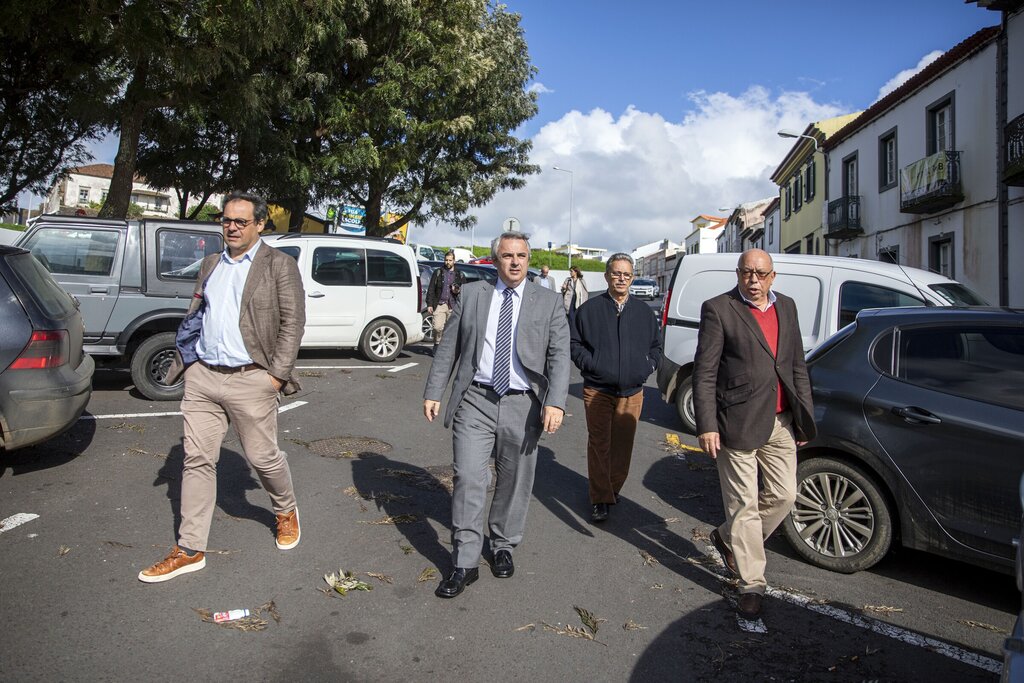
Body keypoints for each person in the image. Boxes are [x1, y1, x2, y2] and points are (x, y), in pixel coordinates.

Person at [138, 191, 306, 583]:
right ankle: (190, 548)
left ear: (260, 224)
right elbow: (199, 312)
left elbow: (292, 324)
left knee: (263, 458)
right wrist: (191, 363)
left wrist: (275, 377)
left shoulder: (279, 266)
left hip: (253, 378)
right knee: (196, 460)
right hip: (203, 377)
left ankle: (285, 510)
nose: (230, 227)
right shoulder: (212, 262)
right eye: (226, 220)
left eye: (240, 221)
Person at [423, 231, 570, 599]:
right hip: (476, 400)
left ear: (529, 258)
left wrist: (555, 401)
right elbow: (449, 349)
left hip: (524, 405)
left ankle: (503, 543)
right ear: (495, 260)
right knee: (470, 476)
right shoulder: (473, 295)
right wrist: (434, 391)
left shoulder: (549, 301)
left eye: (521, 255)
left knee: (514, 479)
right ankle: (465, 561)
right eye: (507, 256)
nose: (516, 262)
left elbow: (559, 356)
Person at [692, 248, 815, 619]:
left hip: (780, 421)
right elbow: (705, 372)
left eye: (761, 274)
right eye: (747, 273)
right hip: (737, 422)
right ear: (738, 273)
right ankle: (752, 584)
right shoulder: (719, 308)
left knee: (784, 495)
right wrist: (707, 425)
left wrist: (803, 417)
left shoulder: (788, 307)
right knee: (743, 505)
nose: (754, 281)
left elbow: (796, 365)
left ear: (773, 277)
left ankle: (728, 537)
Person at [570, 254, 661, 523]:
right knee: (600, 444)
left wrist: (647, 368)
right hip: (597, 390)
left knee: (623, 447)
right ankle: (600, 498)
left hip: (632, 391)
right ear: (608, 275)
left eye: (627, 275)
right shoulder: (589, 309)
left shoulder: (644, 312)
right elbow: (575, 344)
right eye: (617, 273)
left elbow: (656, 347)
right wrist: (593, 364)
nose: (622, 278)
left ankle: (612, 489)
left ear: (632, 278)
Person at [425, 250, 467, 352]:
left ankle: (447, 349)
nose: (448, 262)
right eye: (446, 260)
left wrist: (458, 290)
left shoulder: (459, 274)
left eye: (450, 260)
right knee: (437, 327)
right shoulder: (439, 272)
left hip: (453, 305)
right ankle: (437, 343)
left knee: (451, 330)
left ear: (454, 261)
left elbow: (465, 289)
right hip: (440, 304)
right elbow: (431, 288)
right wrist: (430, 304)